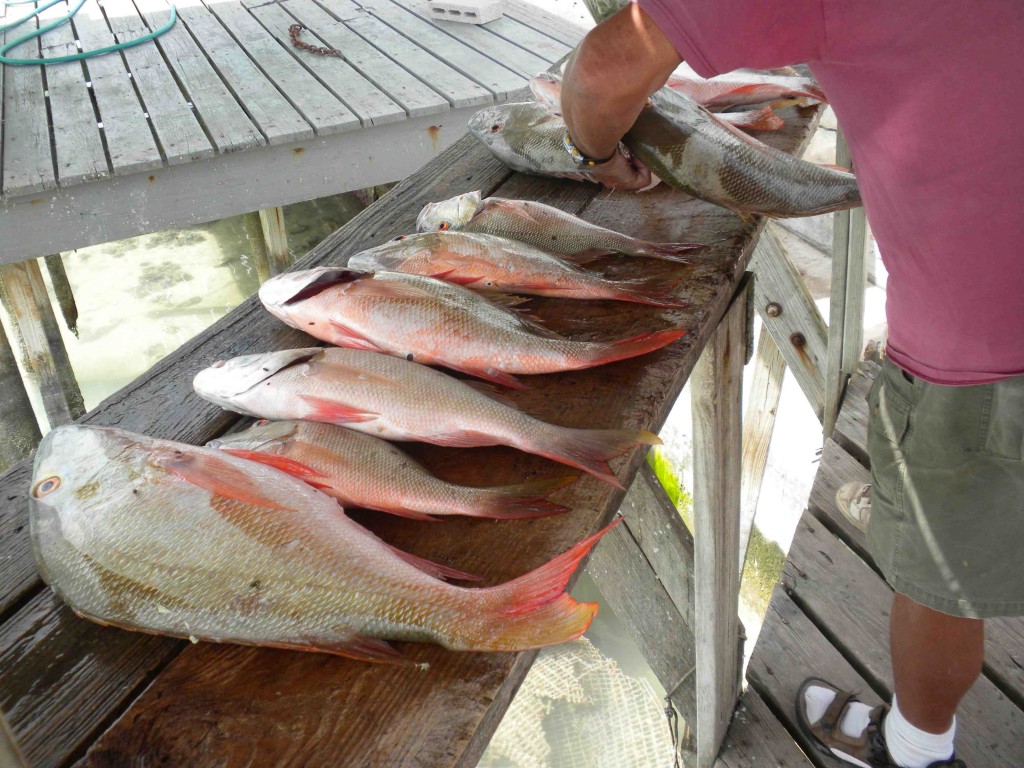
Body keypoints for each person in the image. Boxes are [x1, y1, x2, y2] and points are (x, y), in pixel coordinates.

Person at [559, 3, 1024, 768]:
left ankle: (915, 751)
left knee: (944, 579)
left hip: (983, 349)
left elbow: (605, 72)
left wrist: (594, 154)